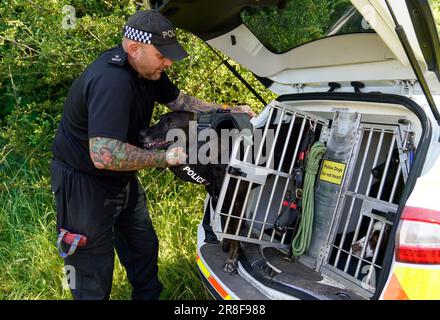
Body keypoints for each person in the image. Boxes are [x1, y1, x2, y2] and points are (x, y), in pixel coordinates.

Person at [50, 9, 255, 300]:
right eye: (162, 55)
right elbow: (103, 155)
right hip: (84, 185)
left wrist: (228, 109)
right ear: (134, 48)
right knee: (91, 274)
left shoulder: (147, 69)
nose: (168, 61)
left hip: (122, 178)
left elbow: (179, 101)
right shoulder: (112, 81)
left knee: (143, 249)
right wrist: (164, 158)